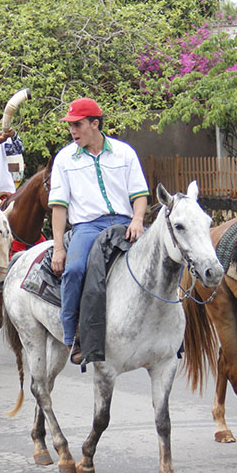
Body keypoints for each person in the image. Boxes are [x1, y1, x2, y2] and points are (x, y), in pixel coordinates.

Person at [48, 97, 150, 364]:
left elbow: (139, 194)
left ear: (95, 124)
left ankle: (171, 329)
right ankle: (73, 335)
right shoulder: (64, 159)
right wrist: (59, 248)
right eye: (70, 125)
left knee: (166, 256)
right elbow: (58, 207)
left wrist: (138, 219)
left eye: (77, 124)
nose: (72, 131)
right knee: (74, 270)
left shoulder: (124, 153)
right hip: (87, 226)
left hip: (124, 222)